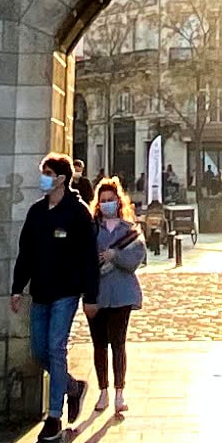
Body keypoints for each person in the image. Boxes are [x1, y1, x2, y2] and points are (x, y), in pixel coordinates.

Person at [12, 150, 98, 439]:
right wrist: (16, 287)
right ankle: (74, 388)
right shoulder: (36, 212)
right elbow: (26, 252)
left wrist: (91, 296)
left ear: (61, 179)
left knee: (56, 348)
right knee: (39, 351)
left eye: (48, 174)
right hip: (40, 291)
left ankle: (54, 416)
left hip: (66, 291)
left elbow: (89, 257)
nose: (43, 179)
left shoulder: (78, 213)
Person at [84, 174, 147, 417]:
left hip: (121, 294)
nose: (107, 203)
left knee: (118, 344)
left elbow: (134, 260)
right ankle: (103, 391)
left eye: (111, 199)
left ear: (118, 202)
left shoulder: (128, 230)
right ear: (98, 203)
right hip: (97, 294)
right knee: (99, 344)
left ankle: (120, 392)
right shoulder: (91, 230)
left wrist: (114, 256)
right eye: (104, 200)